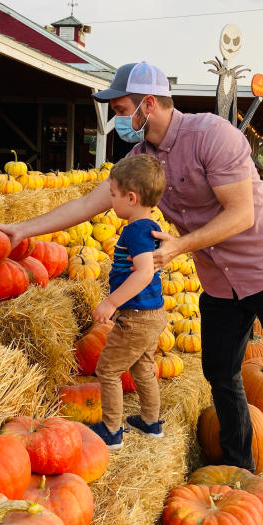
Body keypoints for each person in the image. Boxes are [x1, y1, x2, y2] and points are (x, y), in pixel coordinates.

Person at [0, 61, 263, 525]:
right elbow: (91, 202)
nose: (117, 117)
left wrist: (179, 247)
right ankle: (238, 473)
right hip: (221, 283)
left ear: (148, 104)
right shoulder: (141, 159)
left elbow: (240, 214)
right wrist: (24, 229)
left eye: (122, 108)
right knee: (220, 373)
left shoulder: (212, 136)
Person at [89, 153, 168, 449]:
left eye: (113, 195)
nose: (111, 201)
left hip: (136, 316)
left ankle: (111, 430)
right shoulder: (150, 225)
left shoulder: (135, 230)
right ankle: (150, 422)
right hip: (154, 313)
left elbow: (145, 272)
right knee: (143, 369)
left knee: (108, 370)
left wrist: (110, 303)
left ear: (131, 198)